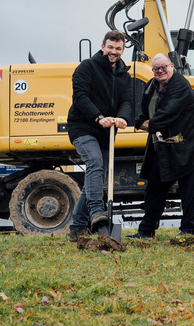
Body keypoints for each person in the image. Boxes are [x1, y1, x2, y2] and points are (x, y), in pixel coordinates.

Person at [129, 54, 194, 239]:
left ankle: (188, 230)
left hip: (189, 145)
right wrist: (143, 122)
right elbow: (142, 113)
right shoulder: (152, 86)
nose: (160, 71)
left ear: (172, 66)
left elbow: (164, 116)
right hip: (164, 146)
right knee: (154, 189)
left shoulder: (180, 85)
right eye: (156, 69)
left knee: (189, 190)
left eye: (163, 67)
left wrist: (147, 124)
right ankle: (146, 230)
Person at [67, 30, 132, 241]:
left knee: (95, 177)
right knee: (94, 161)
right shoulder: (87, 67)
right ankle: (97, 212)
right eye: (110, 47)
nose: (114, 52)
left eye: (118, 48)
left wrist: (122, 117)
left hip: (106, 131)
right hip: (83, 126)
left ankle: (76, 229)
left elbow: (127, 101)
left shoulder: (124, 74)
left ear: (123, 50)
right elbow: (80, 97)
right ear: (102, 46)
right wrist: (98, 117)